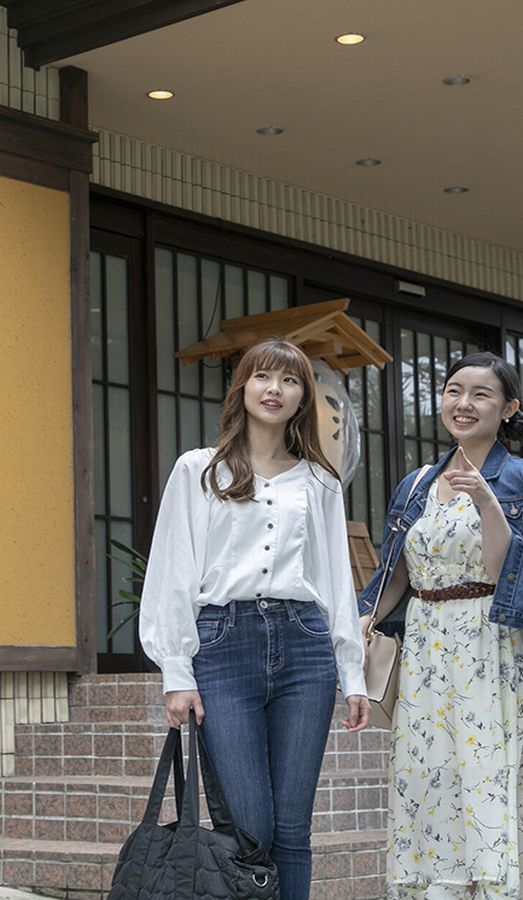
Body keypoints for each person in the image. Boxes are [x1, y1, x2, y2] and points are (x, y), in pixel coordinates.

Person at [139, 338, 370, 900]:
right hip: (222, 645)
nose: (275, 390)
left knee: (293, 829)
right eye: (263, 377)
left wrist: (353, 673)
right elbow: (172, 570)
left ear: (302, 399)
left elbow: (336, 581)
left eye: (290, 381)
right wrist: (177, 671)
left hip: (305, 647)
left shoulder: (319, 481)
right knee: (248, 829)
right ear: (241, 388)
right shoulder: (200, 469)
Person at [358, 351, 523, 900]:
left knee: (485, 785)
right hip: (423, 649)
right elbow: (397, 573)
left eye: (481, 394)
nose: (464, 403)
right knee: (425, 782)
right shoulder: (417, 482)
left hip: (494, 646)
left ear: (508, 408)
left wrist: (489, 504)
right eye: (453, 390)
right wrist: (359, 624)